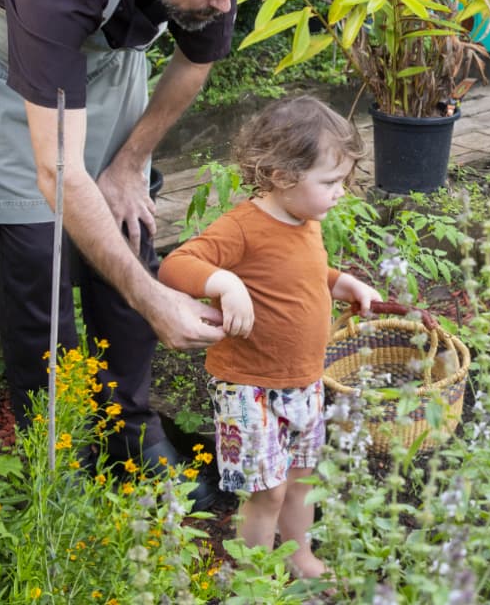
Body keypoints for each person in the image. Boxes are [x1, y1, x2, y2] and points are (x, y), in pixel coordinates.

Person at [0, 0, 257, 467]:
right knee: (39, 252)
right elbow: (59, 172)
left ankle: (129, 434)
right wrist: (156, 302)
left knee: (129, 226)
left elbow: (195, 61)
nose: (225, 2)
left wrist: (130, 164)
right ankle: (55, 454)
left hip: (107, 56)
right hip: (6, 61)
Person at [158, 96, 381, 581]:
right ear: (282, 176)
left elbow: (305, 273)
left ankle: (299, 557)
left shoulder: (306, 221)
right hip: (250, 389)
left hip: (304, 381)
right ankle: (253, 576)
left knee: (302, 482)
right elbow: (177, 264)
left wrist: (346, 284)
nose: (340, 192)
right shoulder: (242, 226)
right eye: (330, 182)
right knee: (268, 492)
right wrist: (225, 282)